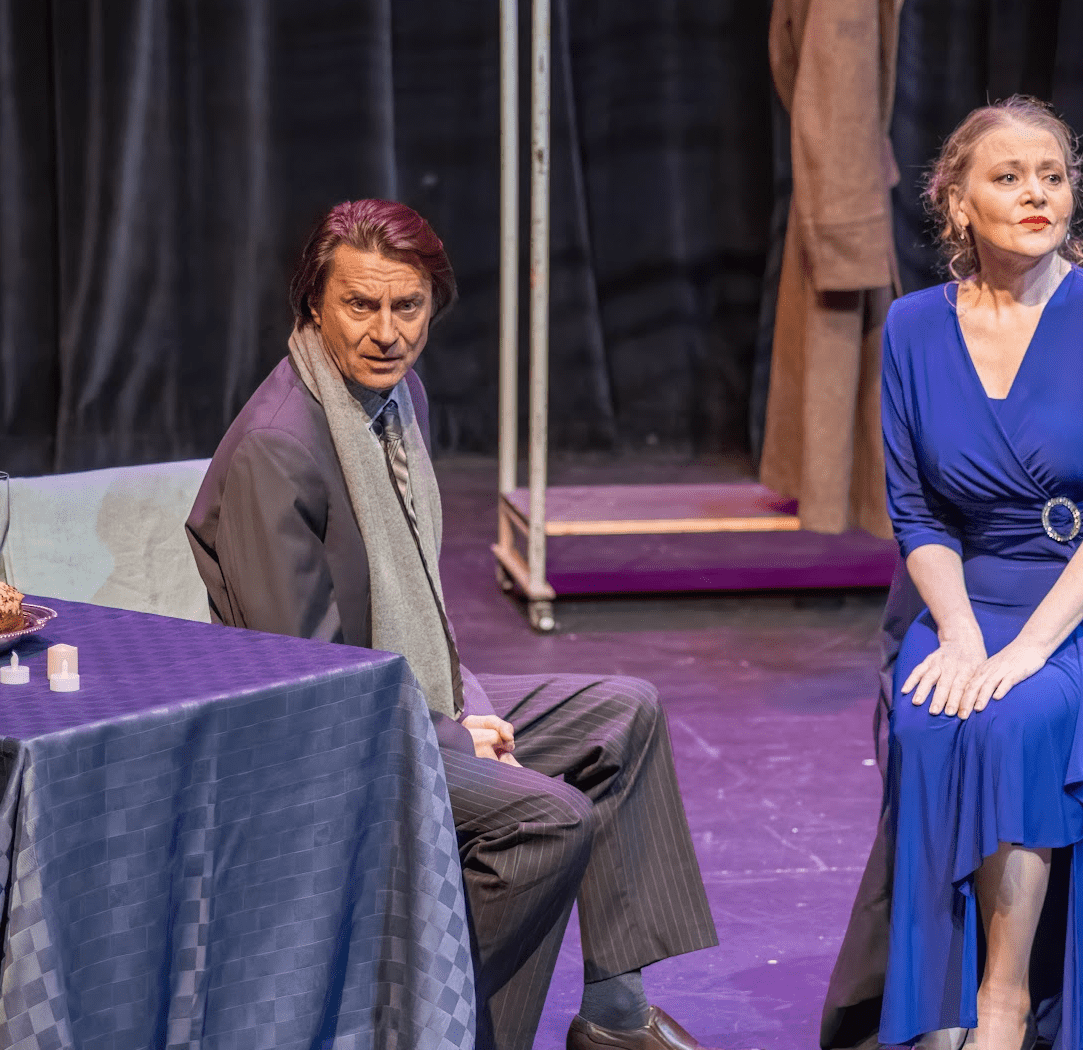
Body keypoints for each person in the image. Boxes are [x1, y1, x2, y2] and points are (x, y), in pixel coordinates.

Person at [187, 199, 752, 1050]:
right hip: (319, 749)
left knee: (623, 712)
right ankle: (438, 1031)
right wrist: (448, 735)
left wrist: (462, 707)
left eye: (407, 306)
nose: (386, 332)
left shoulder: (395, 397)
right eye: (360, 305)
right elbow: (309, 686)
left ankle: (614, 1020)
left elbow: (419, 602)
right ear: (313, 305)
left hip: (407, 704)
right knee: (547, 819)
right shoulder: (281, 447)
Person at [874, 97, 1083, 1050]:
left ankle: (1003, 1003)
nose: (1035, 193)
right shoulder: (912, 328)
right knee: (929, 718)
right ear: (957, 203)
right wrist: (963, 633)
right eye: (1007, 177)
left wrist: (1026, 653)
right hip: (976, 593)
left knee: (1014, 714)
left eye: (1051, 175)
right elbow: (916, 512)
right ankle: (933, 1014)